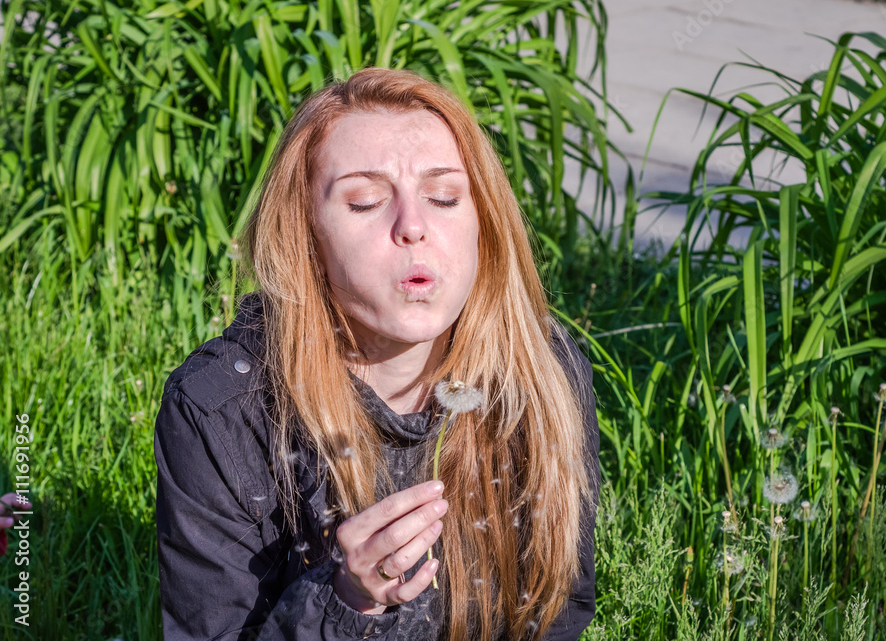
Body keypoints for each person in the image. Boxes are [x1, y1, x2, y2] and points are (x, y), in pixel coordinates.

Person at [154, 68, 600, 640]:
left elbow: (559, 612)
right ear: (307, 237)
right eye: (364, 203)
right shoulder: (222, 410)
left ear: (484, 223)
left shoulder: (541, 375)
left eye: (443, 197)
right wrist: (344, 602)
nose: (413, 226)